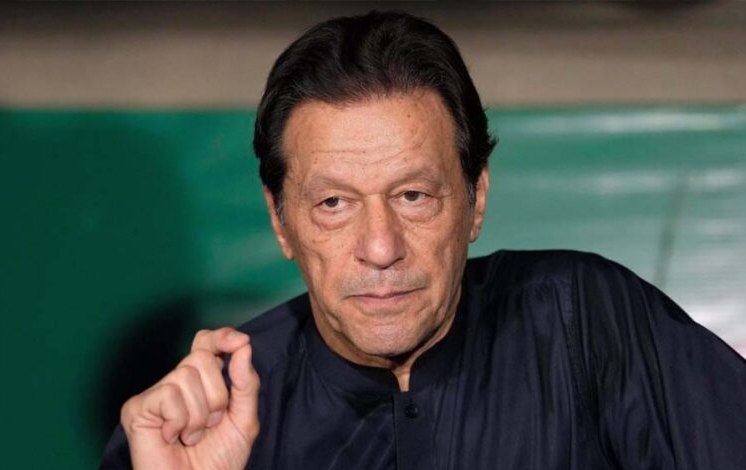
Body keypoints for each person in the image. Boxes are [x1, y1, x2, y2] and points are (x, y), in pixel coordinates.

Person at [101, 11, 746, 470]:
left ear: (475, 201)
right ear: (280, 221)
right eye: (333, 204)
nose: (381, 248)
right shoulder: (195, 427)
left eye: (413, 196)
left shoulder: (586, 321)